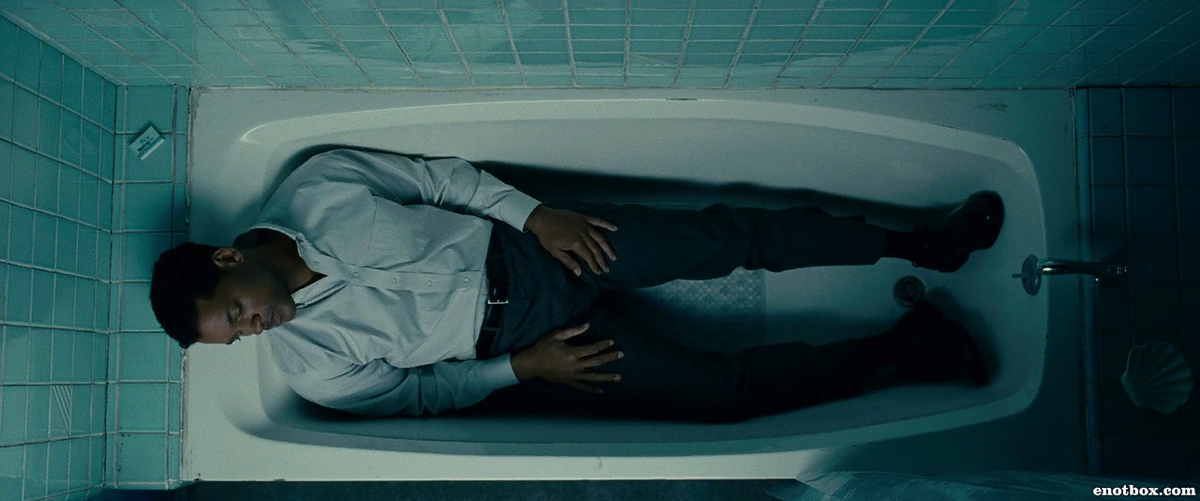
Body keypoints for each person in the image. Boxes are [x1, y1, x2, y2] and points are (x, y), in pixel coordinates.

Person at [150, 148, 1000, 423]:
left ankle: (921, 242)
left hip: (536, 251)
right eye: (239, 335)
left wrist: (538, 215)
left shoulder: (316, 186)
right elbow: (423, 393)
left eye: (238, 312)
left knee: (729, 237)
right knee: (719, 396)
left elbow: (443, 180)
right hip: (529, 343)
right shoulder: (310, 368)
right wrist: (522, 370)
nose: (256, 328)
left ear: (229, 260)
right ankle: (904, 349)